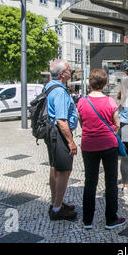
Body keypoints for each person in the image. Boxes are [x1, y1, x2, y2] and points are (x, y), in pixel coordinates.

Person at [77, 69, 125, 230]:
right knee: (111, 182)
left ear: (90, 83)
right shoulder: (110, 102)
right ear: (105, 84)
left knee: (90, 182)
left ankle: (87, 220)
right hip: (109, 144)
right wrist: (110, 131)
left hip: (88, 145)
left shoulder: (82, 102)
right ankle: (111, 219)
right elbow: (117, 124)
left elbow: (82, 123)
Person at [45, 60, 78, 221]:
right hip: (59, 134)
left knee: (55, 168)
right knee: (64, 171)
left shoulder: (50, 86)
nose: (70, 72)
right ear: (61, 74)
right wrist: (71, 142)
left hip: (52, 133)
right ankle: (58, 209)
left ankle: (56, 202)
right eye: (68, 70)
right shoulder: (59, 92)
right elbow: (61, 120)